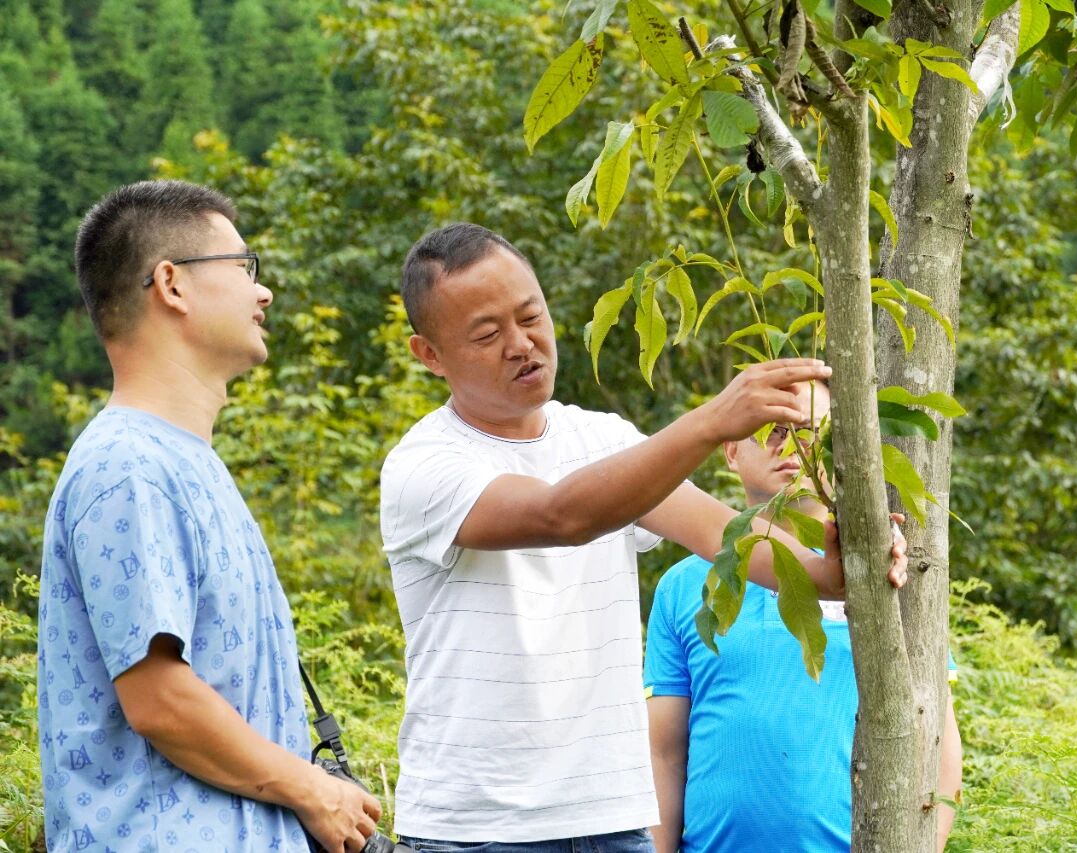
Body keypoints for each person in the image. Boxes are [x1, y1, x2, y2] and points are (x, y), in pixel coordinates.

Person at [379, 223, 909, 852]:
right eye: (488, 335)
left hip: (612, 823)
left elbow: (725, 535)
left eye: (531, 316)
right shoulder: (424, 466)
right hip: (477, 831)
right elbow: (560, 516)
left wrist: (835, 569)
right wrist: (713, 421)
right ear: (430, 355)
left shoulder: (604, 440)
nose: (522, 345)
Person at [37, 180, 381, 853]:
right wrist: (315, 790)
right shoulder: (129, 465)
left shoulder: (184, 462)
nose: (264, 291)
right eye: (244, 267)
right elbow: (160, 699)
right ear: (172, 284)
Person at [644, 379, 963, 852]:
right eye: (771, 430)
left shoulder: (885, 572)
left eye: (811, 430)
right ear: (731, 451)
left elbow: (937, 738)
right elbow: (663, 753)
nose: (791, 444)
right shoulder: (683, 586)